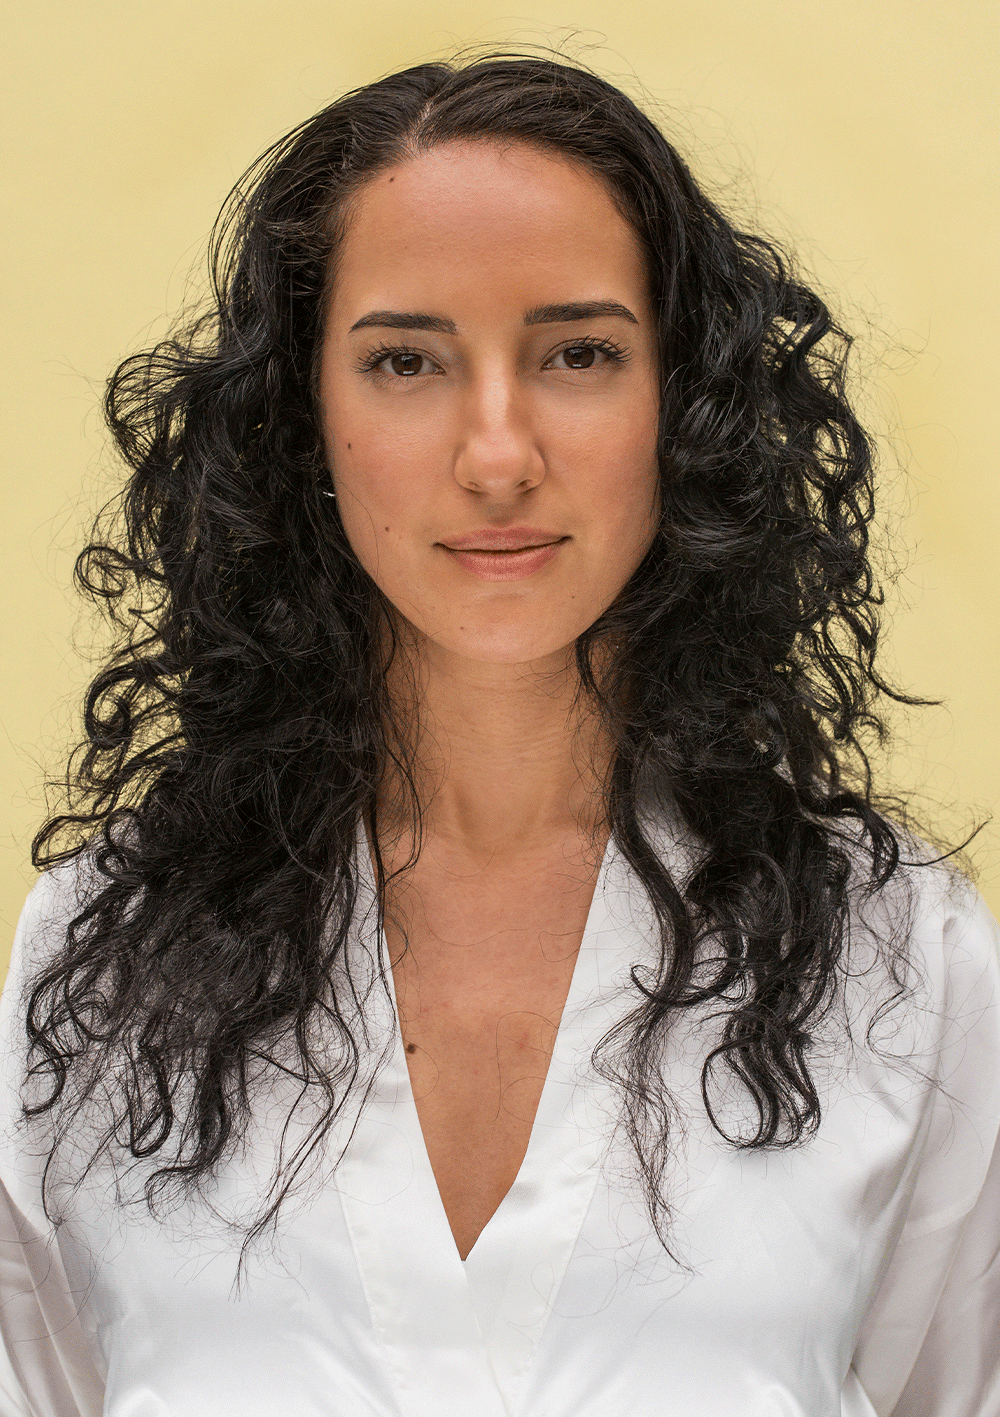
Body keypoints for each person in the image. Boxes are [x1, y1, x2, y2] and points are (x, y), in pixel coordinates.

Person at [1, 50, 997, 1417]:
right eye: (405, 360)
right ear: (305, 421)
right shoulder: (101, 962)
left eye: (578, 354)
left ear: (685, 406)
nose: (496, 451)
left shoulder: (901, 961)